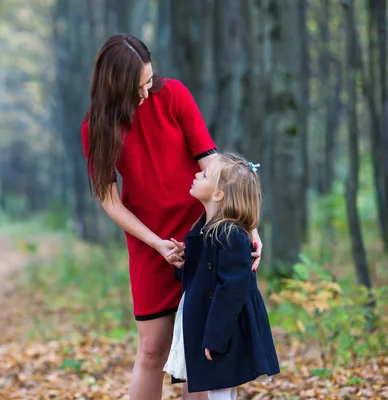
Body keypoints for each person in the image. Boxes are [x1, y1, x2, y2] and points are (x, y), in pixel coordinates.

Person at [80, 34, 263, 400]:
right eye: (138, 87)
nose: (146, 93)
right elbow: (109, 199)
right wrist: (156, 244)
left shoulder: (174, 94)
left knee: (198, 349)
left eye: (149, 81)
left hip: (203, 237)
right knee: (151, 350)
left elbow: (213, 162)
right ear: (115, 85)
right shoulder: (95, 130)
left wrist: (246, 224)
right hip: (150, 243)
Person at [164, 153, 280, 400]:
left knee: (221, 390)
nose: (197, 173)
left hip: (225, 326)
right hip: (208, 320)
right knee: (219, 389)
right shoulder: (205, 227)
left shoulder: (231, 234)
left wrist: (216, 337)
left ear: (218, 194)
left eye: (205, 175)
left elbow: (232, 288)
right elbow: (199, 278)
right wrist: (184, 261)